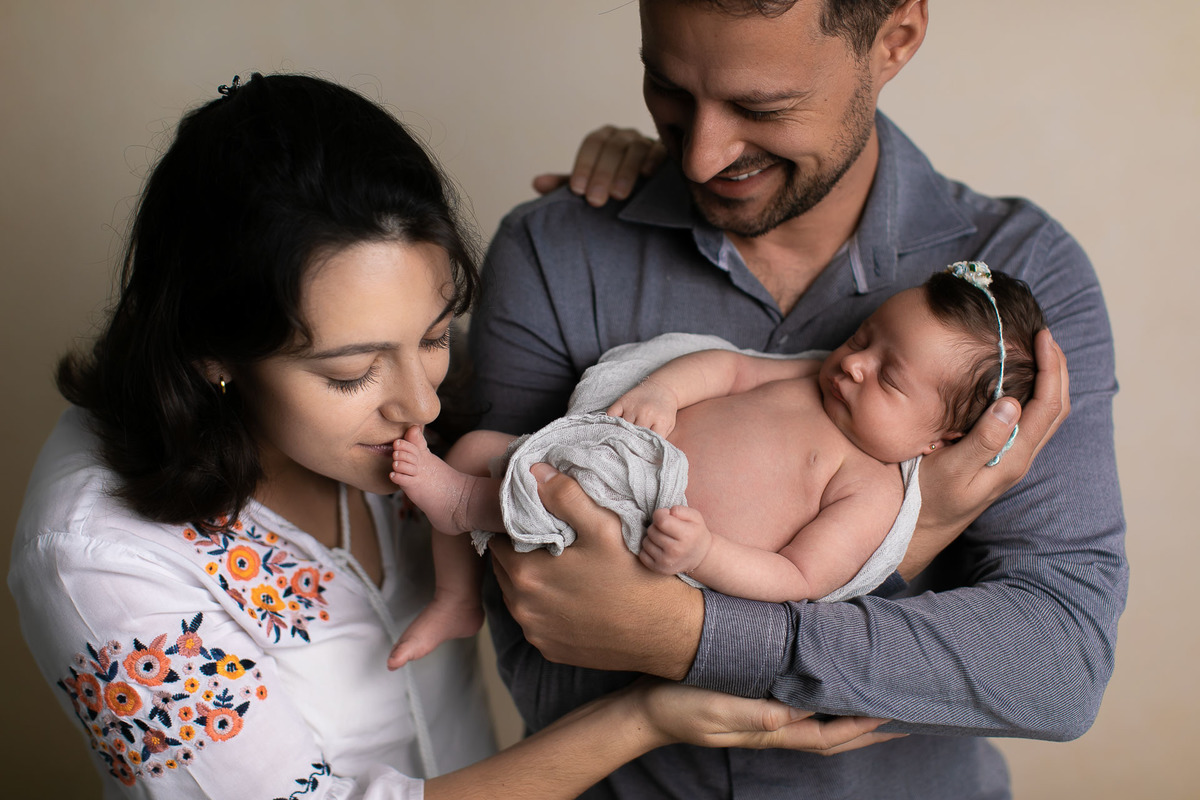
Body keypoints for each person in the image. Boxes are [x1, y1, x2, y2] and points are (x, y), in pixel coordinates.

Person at [7, 72, 890, 800]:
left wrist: (659, 184)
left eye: (434, 335)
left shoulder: (409, 404)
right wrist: (641, 720)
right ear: (213, 355)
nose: (421, 406)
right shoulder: (94, 558)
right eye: (351, 373)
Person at [468, 1, 1128, 797]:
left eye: (761, 108)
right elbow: (541, 607)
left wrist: (690, 635)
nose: (703, 156)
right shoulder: (561, 250)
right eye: (669, 90)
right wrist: (917, 546)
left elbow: (1056, 666)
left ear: (896, 40)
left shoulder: (1016, 292)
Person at [386, 264, 1044, 666]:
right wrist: (663, 392)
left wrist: (703, 553)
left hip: (646, 531)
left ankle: (465, 505)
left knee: (515, 492)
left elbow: (796, 576)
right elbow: (727, 365)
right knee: (476, 449)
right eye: (865, 336)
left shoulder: (870, 489)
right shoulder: (810, 377)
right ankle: (455, 599)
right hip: (619, 453)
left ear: (941, 438)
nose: (854, 363)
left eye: (889, 379)